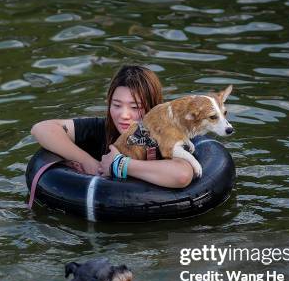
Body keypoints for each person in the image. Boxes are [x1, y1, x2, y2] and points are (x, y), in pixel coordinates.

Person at [31, 65, 194, 188]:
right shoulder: (102, 129)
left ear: (153, 108)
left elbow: (182, 175)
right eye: (116, 105)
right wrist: (89, 162)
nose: (124, 115)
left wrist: (118, 164)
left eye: (135, 107)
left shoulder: (166, 136)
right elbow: (42, 128)